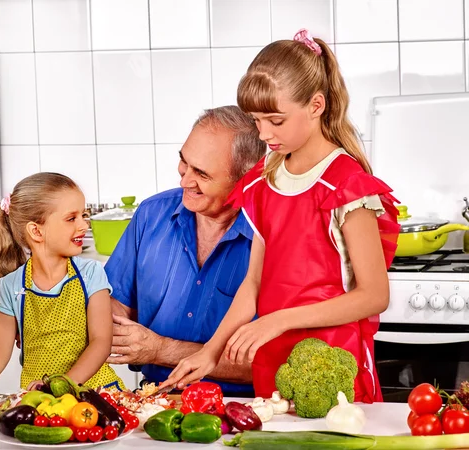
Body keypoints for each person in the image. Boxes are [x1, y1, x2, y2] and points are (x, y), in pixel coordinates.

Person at [163, 29, 400, 403]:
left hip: (336, 360)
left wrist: (278, 320)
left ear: (316, 106)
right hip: (272, 360)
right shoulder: (264, 181)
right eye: (257, 121)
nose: (264, 134)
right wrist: (210, 351)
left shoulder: (348, 185)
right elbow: (252, 285)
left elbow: (374, 295)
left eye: (276, 120)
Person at [105, 106, 266, 396]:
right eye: (184, 162)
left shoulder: (270, 237)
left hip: (243, 407)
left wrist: (160, 350)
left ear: (245, 180)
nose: (184, 181)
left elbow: (271, 363)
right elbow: (116, 302)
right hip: (153, 400)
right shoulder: (151, 214)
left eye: (201, 174)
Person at [0, 173, 124, 390]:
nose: (84, 225)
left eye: (84, 215)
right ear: (36, 230)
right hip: (41, 401)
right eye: (72, 218)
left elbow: (101, 343)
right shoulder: (10, 286)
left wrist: (61, 386)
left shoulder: (91, 274)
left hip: (95, 394)